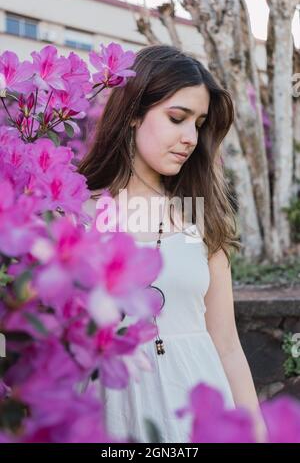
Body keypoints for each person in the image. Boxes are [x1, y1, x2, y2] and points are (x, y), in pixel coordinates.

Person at [78, 45, 265, 443]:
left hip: (197, 408)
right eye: (177, 118)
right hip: (109, 411)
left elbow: (227, 343)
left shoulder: (203, 216)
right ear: (132, 114)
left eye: (198, 124)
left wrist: (257, 433)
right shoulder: (75, 214)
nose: (190, 138)